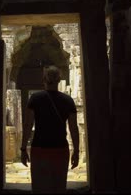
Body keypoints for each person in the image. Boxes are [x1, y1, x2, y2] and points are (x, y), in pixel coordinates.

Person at [20, 65, 80, 193]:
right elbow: (73, 128)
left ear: (44, 79)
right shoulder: (68, 101)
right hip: (60, 149)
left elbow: (27, 125)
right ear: (59, 80)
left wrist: (23, 148)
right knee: (58, 187)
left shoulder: (35, 99)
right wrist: (76, 150)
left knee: (39, 187)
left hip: (39, 149)